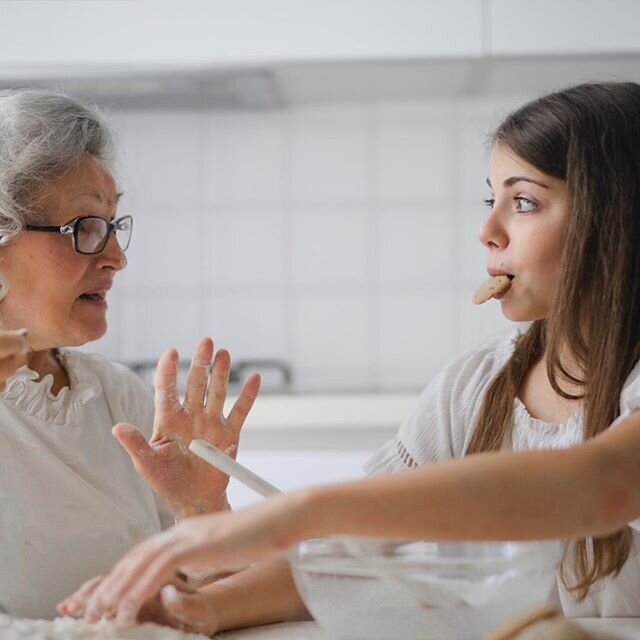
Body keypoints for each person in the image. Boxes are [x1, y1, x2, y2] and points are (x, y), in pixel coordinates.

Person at [64, 80, 640, 630]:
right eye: (493, 200)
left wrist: (306, 510)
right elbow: (352, 555)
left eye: (523, 202)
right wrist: (201, 609)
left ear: (614, 216)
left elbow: (600, 482)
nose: (487, 229)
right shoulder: (476, 383)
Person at [0, 89, 260, 619]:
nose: (115, 257)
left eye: (114, 226)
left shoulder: (119, 397)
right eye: (85, 228)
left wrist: (202, 512)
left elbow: (209, 607)